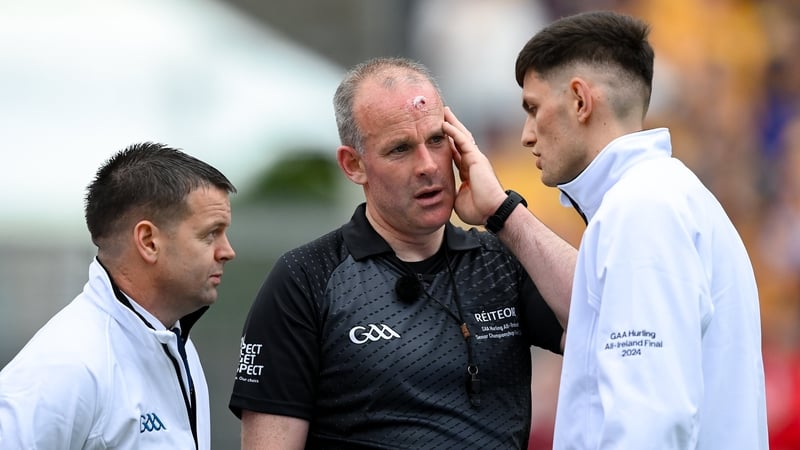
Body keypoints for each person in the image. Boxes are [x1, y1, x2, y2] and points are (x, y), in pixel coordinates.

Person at [444, 10, 769, 449]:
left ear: (580, 100)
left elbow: (651, 421)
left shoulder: (642, 208)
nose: (525, 134)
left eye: (533, 108)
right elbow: (595, 320)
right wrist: (501, 212)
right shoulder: (661, 197)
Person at [228, 57, 575, 449]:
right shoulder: (307, 277)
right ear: (354, 164)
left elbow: (605, 315)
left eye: (436, 140)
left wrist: (503, 213)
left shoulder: (501, 260)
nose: (427, 166)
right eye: (400, 149)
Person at [0, 142, 237, 449]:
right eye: (210, 233)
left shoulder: (175, 342)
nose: (228, 251)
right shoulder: (67, 365)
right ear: (149, 241)